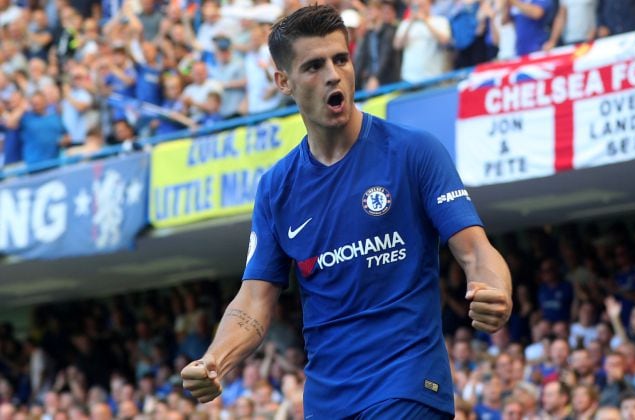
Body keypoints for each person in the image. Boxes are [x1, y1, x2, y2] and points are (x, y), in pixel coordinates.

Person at [181, 6, 512, 419]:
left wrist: (495, 289)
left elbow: (475, 251)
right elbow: (253, 299)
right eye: (314, 66)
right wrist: (215, 359)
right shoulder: (276, 188)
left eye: (341, 59)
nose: (334, 74)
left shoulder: (413, 152)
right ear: (283, 81)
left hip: (407, 387)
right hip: (327, 402)